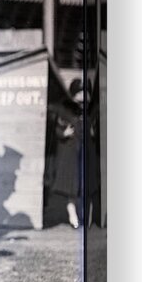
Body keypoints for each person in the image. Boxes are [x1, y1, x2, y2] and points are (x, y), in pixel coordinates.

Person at [50, 78, 85, 229]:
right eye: (80, 91)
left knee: (80, 186)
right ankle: (73, 216)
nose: (84, 95)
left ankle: (78, 214)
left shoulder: (84, 109)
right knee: (71, 186)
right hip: (69, 152)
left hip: (81, 151)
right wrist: (64, 133)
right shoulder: (65, 108)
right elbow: (58, 128)